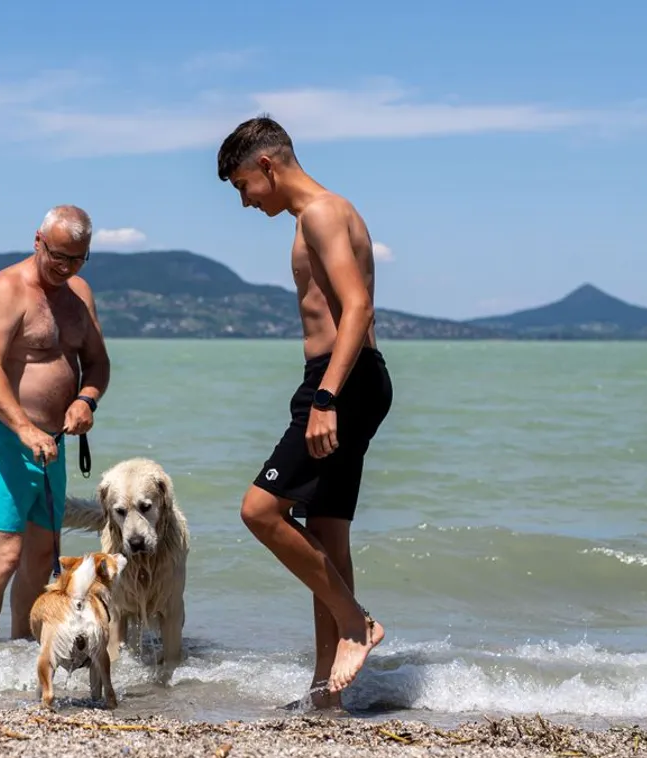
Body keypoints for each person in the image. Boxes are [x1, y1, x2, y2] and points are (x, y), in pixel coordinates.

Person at [216, 116, 394, 707]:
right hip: (349, 379)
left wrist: (325, 399)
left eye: (243, 185)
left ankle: (356, 623)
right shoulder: (319, 214)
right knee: (326, 533)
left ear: (267, 165)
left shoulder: (320, 212)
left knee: (260, 510)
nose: (244, 201)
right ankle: (326, 696)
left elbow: (358, 307)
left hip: (340, 381)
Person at [0, 204, 112, 645]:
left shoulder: (79, 292)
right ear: (38, 241)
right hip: (0, 436)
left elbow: (98, 363)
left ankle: (22, 649)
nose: (65, 268)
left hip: (52, 443)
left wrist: (86, 400)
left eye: (77, 259)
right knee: (3, 554)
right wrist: (25, 429)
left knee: (43, 553)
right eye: (58, 257)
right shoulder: (5, 290)